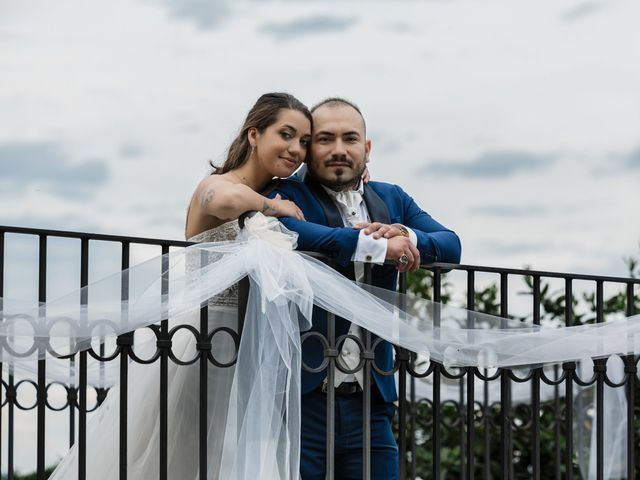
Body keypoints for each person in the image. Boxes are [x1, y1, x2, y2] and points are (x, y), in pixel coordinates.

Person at [48, 92, 313, 480]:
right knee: (188, 456)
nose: (296, 149)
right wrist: (272, 207)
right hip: (206, 340)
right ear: (254, 134)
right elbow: (220, 199)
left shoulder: (279, 189)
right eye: (286, 134)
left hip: (252, 345)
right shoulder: (221, 185)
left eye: (304, 141)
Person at [268, 97, 462, 479]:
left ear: (366, 148)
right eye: (325, 139)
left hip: (371, 400)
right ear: (308, 149)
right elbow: (292, 231)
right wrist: (372, 246)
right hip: (302, 399)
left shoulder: (392, 198)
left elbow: (451, 245)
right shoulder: (286, 193)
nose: (339, 150)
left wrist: (405, 236)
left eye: (350, 138)